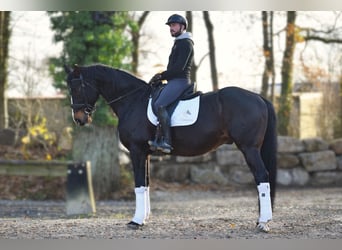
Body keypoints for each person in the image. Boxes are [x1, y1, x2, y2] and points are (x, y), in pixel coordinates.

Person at [148, 14, 194, 154]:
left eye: (174, 25)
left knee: (159, 104)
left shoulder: (186, 43)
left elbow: (179, 68)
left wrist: (162, 75)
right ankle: (158, 137)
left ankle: (166, 141)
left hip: (180, 81)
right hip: (173, 81)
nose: (171, 28)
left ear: (183, 27)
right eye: (170, 26)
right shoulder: (178, 43)